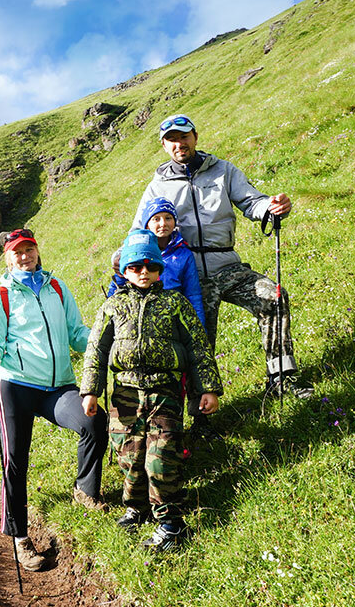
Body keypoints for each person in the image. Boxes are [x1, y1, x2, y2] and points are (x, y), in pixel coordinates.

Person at [131, 114, 309, 399]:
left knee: (274, 298)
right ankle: (200, 413)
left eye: (184, 136)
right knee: (198, 341)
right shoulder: (156, 187)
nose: (179, 144)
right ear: (164, 145)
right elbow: (140, 232)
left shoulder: (223, 170)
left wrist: (272, 207)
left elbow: (252, 201)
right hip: (189, 275)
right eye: (172, 140)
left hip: (227, 266)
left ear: (195, 137)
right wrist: (126, 260)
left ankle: (281, 379)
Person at [81, 230, 223, 552]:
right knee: (129, 455)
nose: (143, 272)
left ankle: (171, 524)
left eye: (149, 265)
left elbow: (198, 347)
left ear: (159, 269)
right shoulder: (113, 306)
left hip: (164, 391)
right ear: (124, 271)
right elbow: (96, 350)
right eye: (135, 266)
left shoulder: (175, 303)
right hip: (125, 395)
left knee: (162, 458)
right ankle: (138, 506)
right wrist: (90, 390)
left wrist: (208, 388)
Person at [0, 228, 102, 572]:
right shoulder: (1, 295)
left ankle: (85, 490)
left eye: (29, 249)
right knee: (15, 460)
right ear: (8, 257)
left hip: (58, 385)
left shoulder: (57, 288)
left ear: (36, 251)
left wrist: (103, 340)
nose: (24, 256)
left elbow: (76, 333)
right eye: (17, 252)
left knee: (93, 421)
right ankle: (20, 539)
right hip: (15, 385)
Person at [109, 198, 205, 327]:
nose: (163, 223)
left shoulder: (184, 254)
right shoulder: (134, 251)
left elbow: (193, 294)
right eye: (156, 219)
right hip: (138, 318)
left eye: (168, 218)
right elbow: (117, 285)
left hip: (173, 317)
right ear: (147, 224)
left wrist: (199, 328)